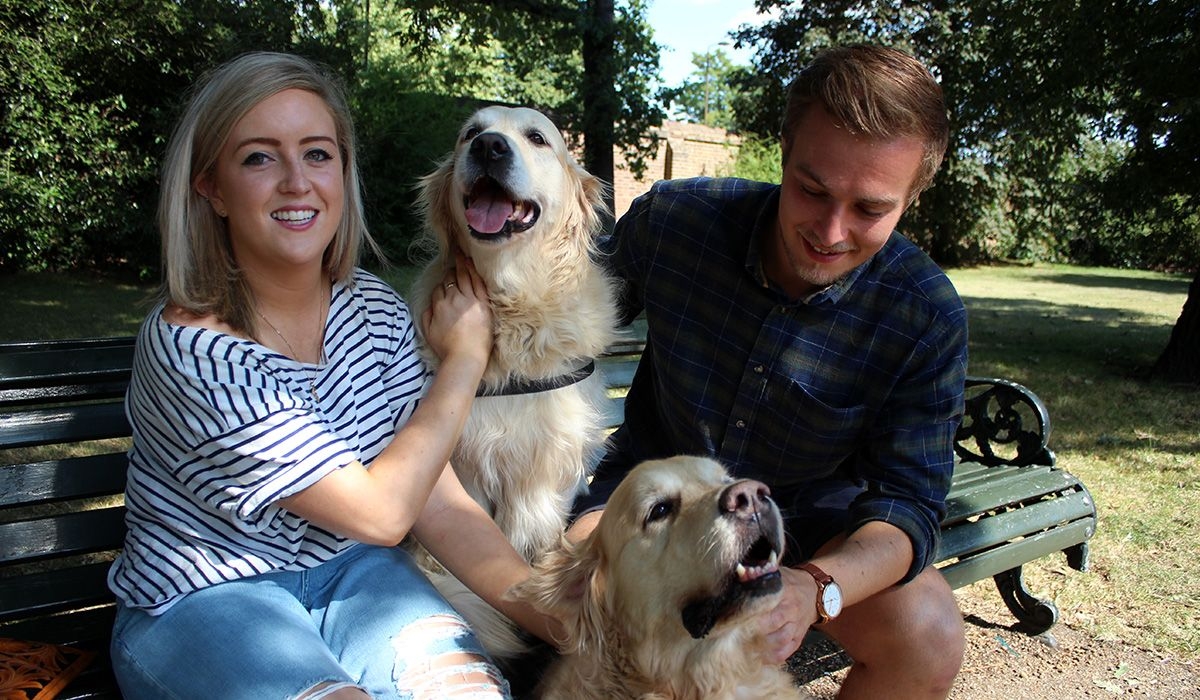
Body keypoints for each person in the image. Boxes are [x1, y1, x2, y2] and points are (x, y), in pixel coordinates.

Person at [107, 51, 553, 699]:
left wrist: (564, 621)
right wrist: (462, 360)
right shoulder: (195, 344)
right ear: (210, 186)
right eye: (260, 157)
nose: (296, 181)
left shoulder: (369, 308)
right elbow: (380, 513)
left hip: (355, 580)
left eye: (318, 154)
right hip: (205, 598)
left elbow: (436, 501)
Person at [571, 44, 968, 698]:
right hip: (654, 498)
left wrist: (814, 590)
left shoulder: (924, 316)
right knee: (584, 599)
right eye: (812, 190)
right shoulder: (677, 223)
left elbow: (908, 507)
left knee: (927, 636)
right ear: (784, 150)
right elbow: (565, 329)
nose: (831, 231)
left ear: (912, 198)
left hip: (811, 520)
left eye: (870, 210)